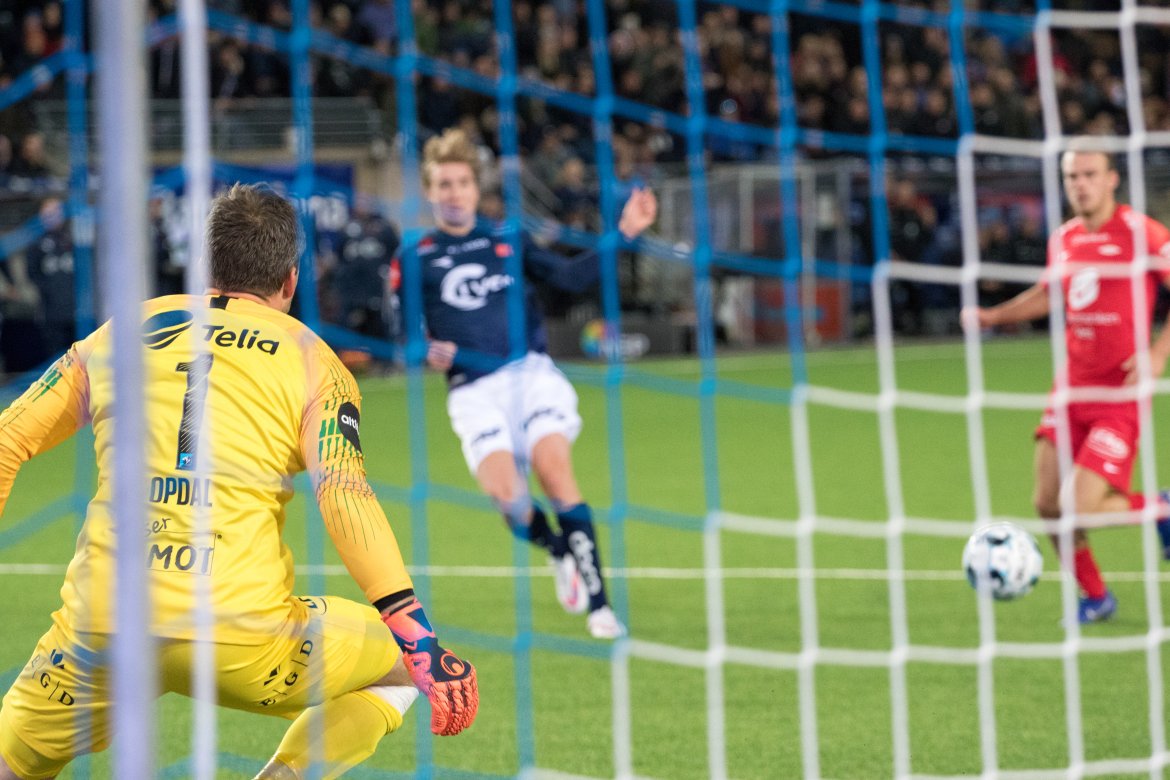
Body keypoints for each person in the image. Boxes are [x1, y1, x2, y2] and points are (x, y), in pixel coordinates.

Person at [0, 184, 478, 780]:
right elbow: (343, 494)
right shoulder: (316, 362)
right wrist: (416, 634)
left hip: (103, 627)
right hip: (242, 636)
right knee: (402, 669)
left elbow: (8, 440)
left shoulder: (119, 333)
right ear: (291, 280)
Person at [395, 128, 657, 639]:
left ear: (476, 188)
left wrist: (624, 231)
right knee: (511, 503)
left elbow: (570, 278)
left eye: (462, 182)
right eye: (444, 184)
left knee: (554, 471)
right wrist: (423, 350)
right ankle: (559, 550)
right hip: (473, 392)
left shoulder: (508, 239)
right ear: (429, 192)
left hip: (531, 376)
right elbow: (402, 336)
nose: (454, 193)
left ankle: (600, 607)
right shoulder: (415, 255)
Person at [963, 147, 1170, 624]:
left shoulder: (1142, 233)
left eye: (1090, 174)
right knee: (1046, 502)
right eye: (1072, 176)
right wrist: (993, 317)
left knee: (1081, 507)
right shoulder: (1064, 238)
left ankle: (1160, 508)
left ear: (1112, 179)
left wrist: (1158, 353)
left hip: (1119, 394)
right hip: (1070, 389)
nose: (1080, 184)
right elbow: (1050, 293)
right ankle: (1095, 597)